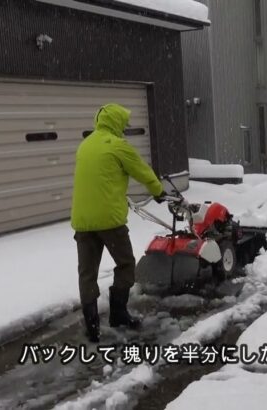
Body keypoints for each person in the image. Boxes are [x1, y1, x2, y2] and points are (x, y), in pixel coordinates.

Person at [71, 103, 166, 342]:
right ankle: (119, 313)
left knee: (87, 273)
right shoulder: (118, 146)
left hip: (82, 222)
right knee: (125, 264)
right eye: (124, 123)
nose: (125, 128)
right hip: (109, 221)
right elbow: (142, 171)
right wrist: (158, 191)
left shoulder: (85, 146)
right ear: (116, 122)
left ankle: (92, 325)